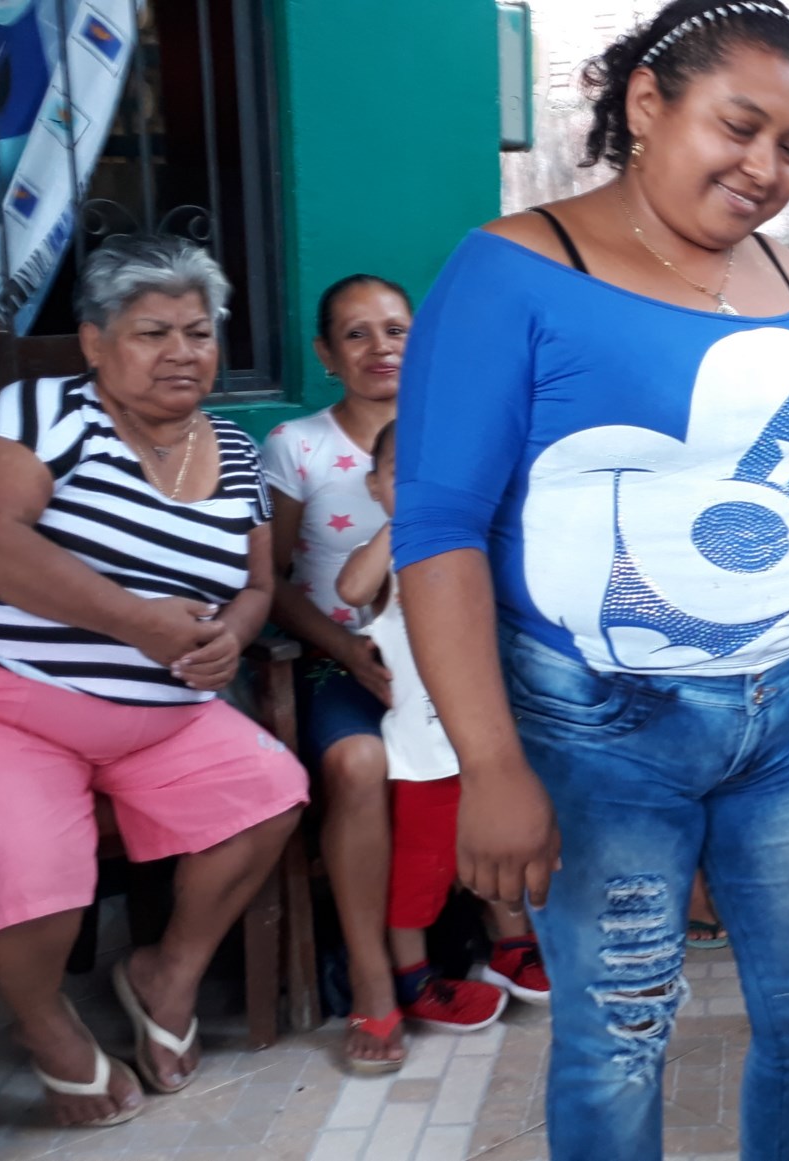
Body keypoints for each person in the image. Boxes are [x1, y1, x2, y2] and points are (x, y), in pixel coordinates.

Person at [389, 2, 789, 1157]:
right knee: (620, 1035)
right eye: (742, 126)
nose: (768, 169)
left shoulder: (782, 270)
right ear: (646, 104)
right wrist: (493, 764)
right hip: (598, 736)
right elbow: (438, 532)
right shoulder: (513, 269)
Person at [0, 235, 308, 1128]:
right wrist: (143, 622)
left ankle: (167, 973)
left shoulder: (235, 447)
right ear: (93, 342)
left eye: (198, 332)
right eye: (152, 331)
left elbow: (257, 583)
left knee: (270, 794)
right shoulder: (40, 411)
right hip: (13, 702)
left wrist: (228, 638)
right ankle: (50, 1031)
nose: (182, 352)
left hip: (169, 715)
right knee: (30, 872)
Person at [261, 274, 439, 1070]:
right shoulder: (296, 446)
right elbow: (271, 585)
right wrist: (347, 653)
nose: (381, 347)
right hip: (344, 664)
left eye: (397, 329)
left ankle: (511, 943)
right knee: (358, 761)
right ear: (325, 353)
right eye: (357, 333)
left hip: (446, 664)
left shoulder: (452, 431)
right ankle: (372, 975)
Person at [331, 424, 551, 1061]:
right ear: (375, 486)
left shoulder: (471, 541)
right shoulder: (393, 550)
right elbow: (348, 592)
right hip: (421, 756)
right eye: (403, 473)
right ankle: (411, 974)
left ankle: (512, 948)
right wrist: (400, 521)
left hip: (486, 743)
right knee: (420, 868)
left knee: (499, 852)